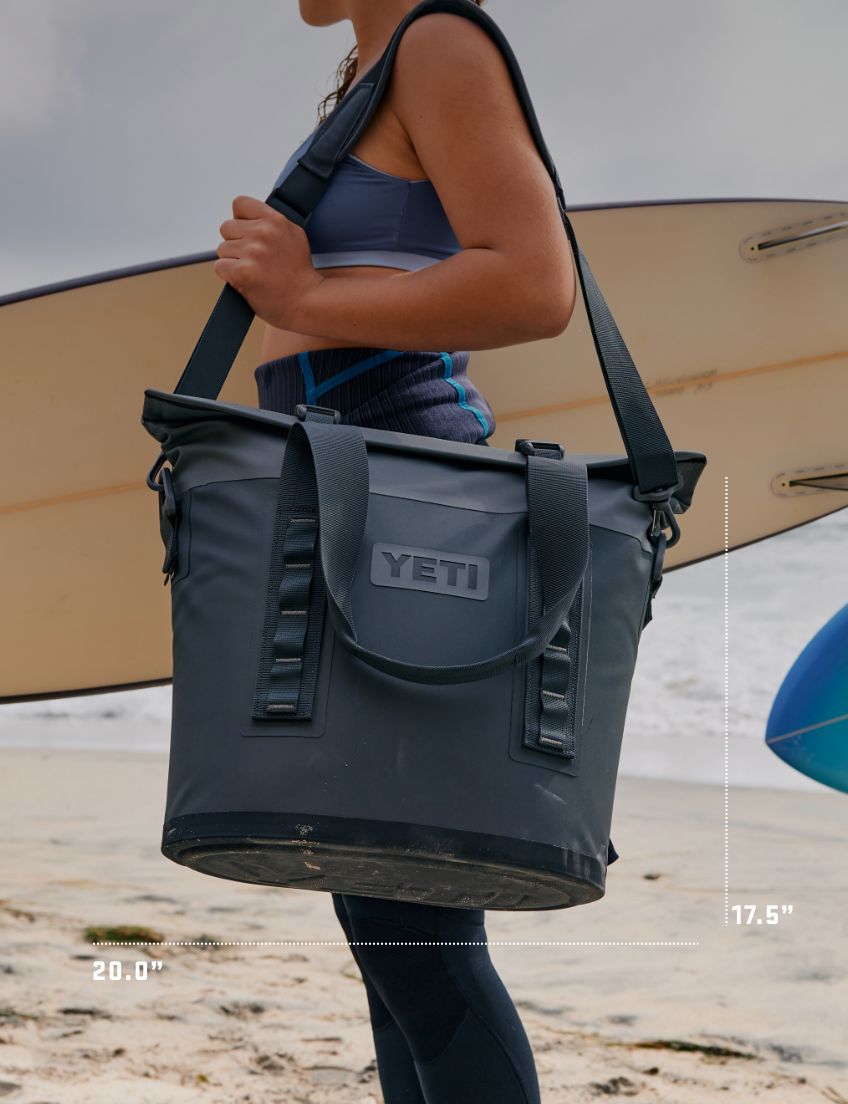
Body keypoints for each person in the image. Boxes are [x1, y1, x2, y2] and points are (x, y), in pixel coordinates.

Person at [213, 2, 578, 1100]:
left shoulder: (437, 43)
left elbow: (534, 283)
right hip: (351, 479)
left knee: (410, 926)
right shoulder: (378, 59)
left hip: (402, 492)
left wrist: (307, 295)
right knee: (386, 923)